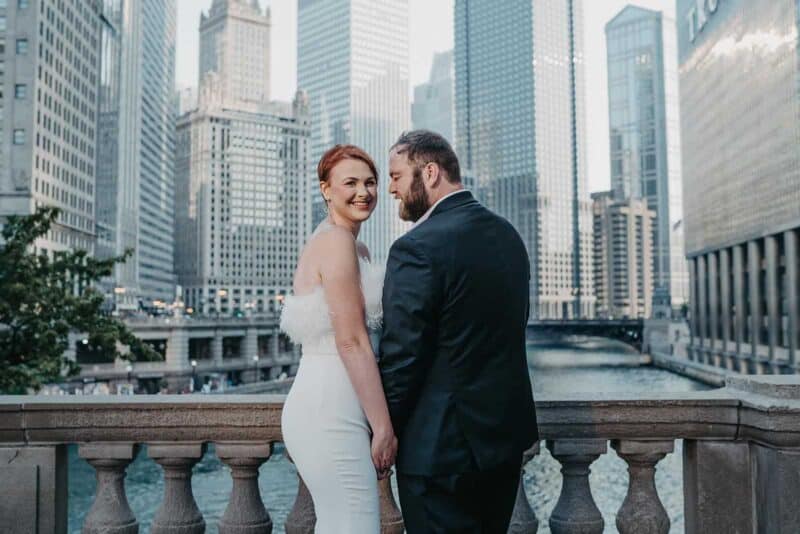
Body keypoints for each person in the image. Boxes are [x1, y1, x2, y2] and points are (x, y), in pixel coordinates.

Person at [379, 130, 538, 533]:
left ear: (430, 172)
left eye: (397, 175)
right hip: (502, 445)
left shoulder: (415, 247)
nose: (392, 188)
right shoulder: (508, 237)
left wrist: (383, 429)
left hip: (438, 454)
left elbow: (403, 356)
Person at [280, 144, 397, 533]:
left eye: (371, 182)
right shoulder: (335, 242)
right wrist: (383, 427)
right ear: (326, 189)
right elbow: (351, 341)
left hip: (341, 404)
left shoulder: (355, 246)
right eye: (350, 182)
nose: (363, 191)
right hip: (328, 408)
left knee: (342, 524)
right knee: (355, 524)